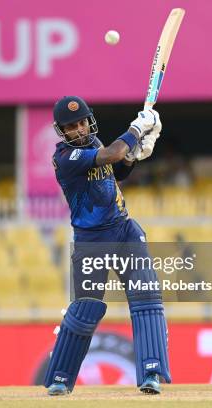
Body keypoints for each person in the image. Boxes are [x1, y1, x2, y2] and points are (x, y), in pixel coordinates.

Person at [44, 96, 169, 395]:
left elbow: (118, 170)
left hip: (124, 231)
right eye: (71, 126)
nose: (80, 129)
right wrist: (136, 129)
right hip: (91, 242)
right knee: (86, 310)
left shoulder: (93, 142)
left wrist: (135, 154)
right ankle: (60, 378)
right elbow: (111, 156)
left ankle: (151, 373)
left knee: (146, 299)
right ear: (62, 132)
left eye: (82, 122)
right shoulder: (65, 158)